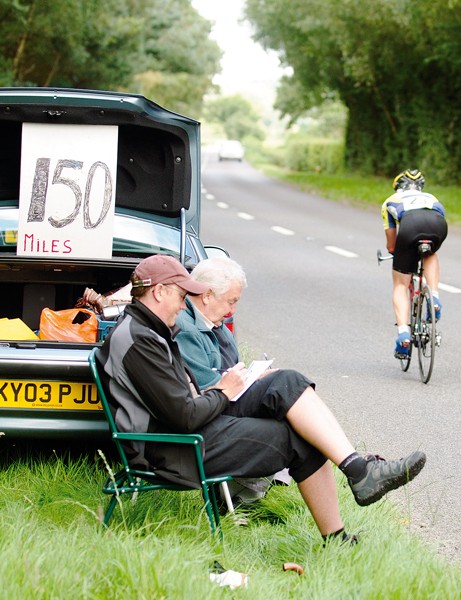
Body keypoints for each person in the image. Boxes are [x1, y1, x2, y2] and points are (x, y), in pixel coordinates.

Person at [96, 254, 426, 545]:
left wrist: (223, 390)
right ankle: (352, 496)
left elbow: (183, 403)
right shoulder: (141, 340)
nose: (184, 305)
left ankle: (356, 480)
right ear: (158, 292)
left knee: (289, 384)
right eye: (182, 297)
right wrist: (223, 391)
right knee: (297, 435)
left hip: (180, 436)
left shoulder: (144, 329)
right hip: (172, 449)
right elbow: (184, 416)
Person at [175, 256, 290, 506]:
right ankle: (246, 495)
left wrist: (254, 379)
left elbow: (226, 376)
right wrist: (255, 383)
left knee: (285, 391)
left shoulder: (214, 326)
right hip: (210, 418)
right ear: (206, 295)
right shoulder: (188, 328)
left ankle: (254, 490)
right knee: (285, 394)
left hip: (218, 408)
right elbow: (211, 388)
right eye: (231, 301)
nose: (232, 310)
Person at [381, 168, 448, 358]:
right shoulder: (432, 197)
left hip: (410, 225)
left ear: (398, 187)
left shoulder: (390, 201)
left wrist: (398, 253)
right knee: (431, 252)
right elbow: (439, 217)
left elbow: (392, 244)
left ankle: (403, 335)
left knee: (400, 285)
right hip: (437, 225)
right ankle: (434, 296)